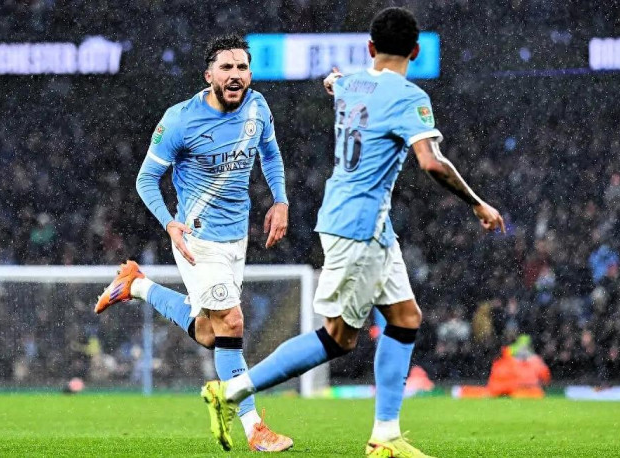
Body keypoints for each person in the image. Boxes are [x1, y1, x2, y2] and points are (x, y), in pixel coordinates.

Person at [202, 8, 505, 457]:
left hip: (367, 223)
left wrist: (335, 81)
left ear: (370, 48)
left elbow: (337, 82)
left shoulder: (352, 84)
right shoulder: (409, 96)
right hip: (357, 226)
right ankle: (229, 391)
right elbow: (430, 161)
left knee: (406, 318)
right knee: (338, 337)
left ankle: (385, 436)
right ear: (415, 52)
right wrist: (478, 203)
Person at [94, 34, 293, 452]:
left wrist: (280, 200)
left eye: (242, 67)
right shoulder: (180, 120)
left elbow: (271, 154)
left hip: (236, 238)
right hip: (196, 240)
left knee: (210, 334)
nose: (236, 75)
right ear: (209, 76)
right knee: (232, 322)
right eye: (226, 68)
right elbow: (146, 179)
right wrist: (169, 223)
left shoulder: (258, 107)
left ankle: (136, 285)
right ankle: (254, 427)